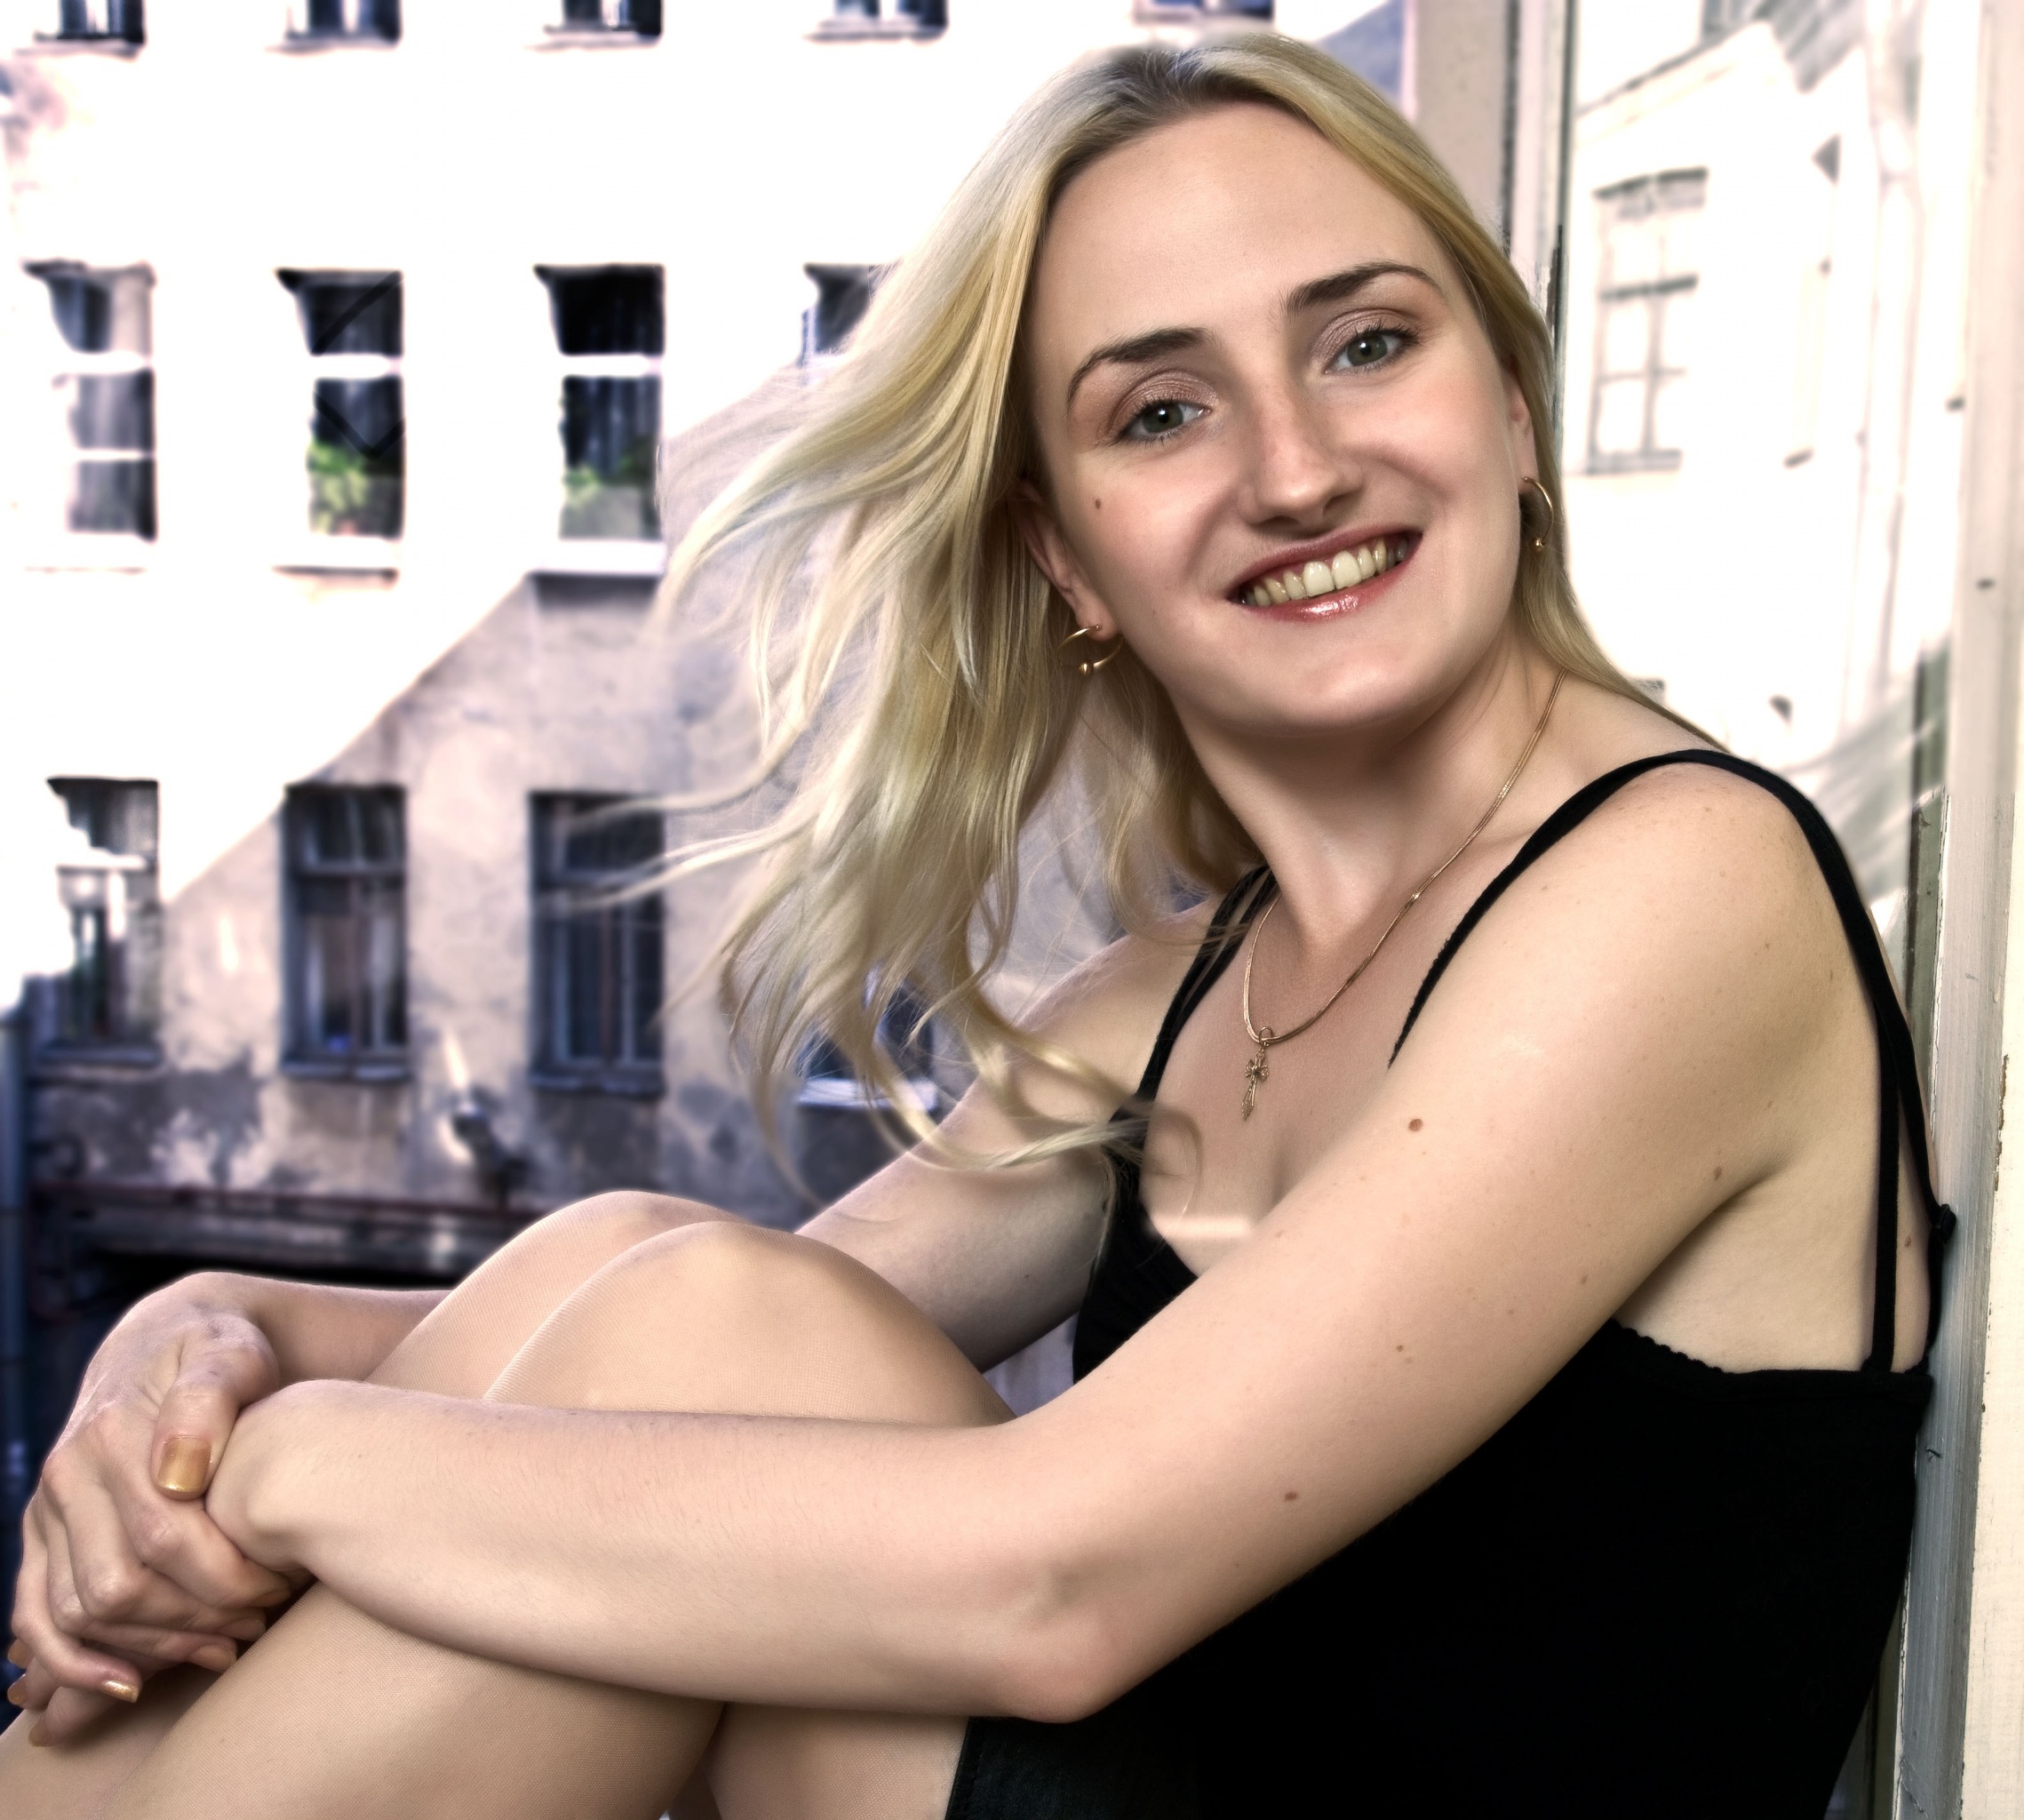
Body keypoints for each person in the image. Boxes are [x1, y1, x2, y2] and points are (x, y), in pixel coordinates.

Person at [2, 36, 1948, 1819]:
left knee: (697, 1335)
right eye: (1161, 412)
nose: (1294, 470)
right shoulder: (1174, 998)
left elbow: (1055, 1586)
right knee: (641, 1270)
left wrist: (282, 1466)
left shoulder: (1681, 887)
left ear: (1511, 412)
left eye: (1366, 344)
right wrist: (198, 1353)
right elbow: (620, 1349)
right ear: (1061, 555)